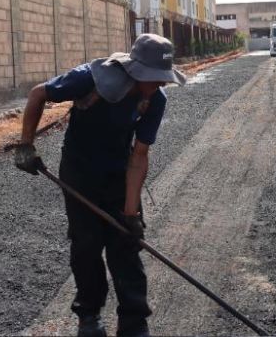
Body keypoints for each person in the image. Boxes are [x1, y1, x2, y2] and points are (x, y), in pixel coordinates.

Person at [14, 34, 186, 337]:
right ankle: (89, 317)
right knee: (87, 245)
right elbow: (37, 94)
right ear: (135, 70)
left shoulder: (154, 100)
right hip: (79, 172)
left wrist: (131, 213)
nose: (160, 84)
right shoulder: (88, 78)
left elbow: (139, 156)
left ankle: (134, 322)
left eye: (163, 79)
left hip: (119, 173)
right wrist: (26, 145)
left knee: (126, 245)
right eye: (155, 78)